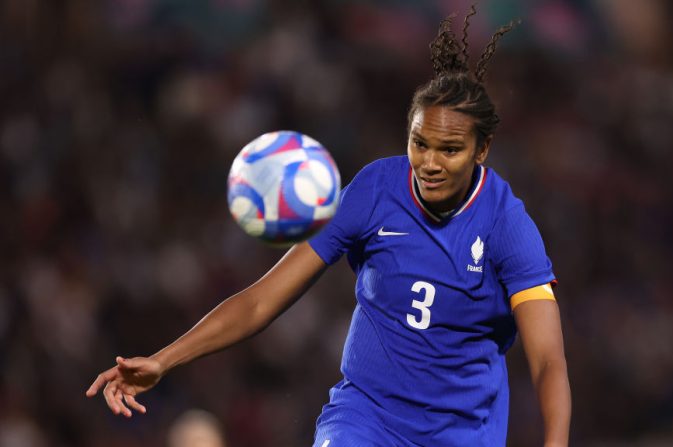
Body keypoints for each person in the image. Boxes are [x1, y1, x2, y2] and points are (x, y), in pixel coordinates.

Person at [86, 6, 571, 446]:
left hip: (463, 435)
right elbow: (260, 300)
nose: (429, 163)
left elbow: (548, 360)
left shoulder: (508, 226)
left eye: (449, 150)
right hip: (366, 421)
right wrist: (163, 361)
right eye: (419, 143)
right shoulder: (374, 191)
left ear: (481, 151)